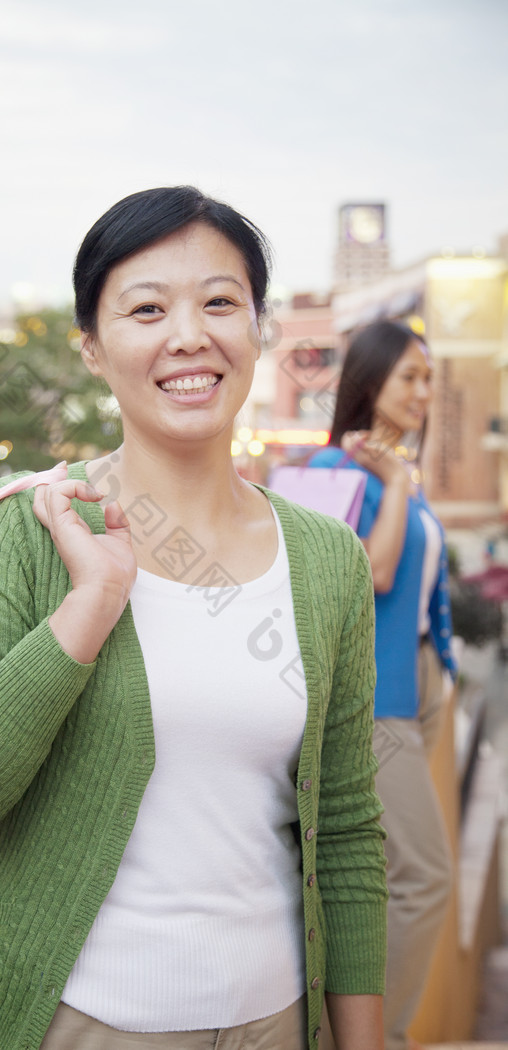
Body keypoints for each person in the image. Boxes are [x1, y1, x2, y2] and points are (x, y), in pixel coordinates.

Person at [0, 186, 387, 1050]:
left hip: (275, 1023)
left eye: (220, 303)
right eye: (147, 308)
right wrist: (87, 609)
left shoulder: (327, 559)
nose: (188, 336)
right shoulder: (24, 533)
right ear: (91, 347)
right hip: (81, 1027)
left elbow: (343, 827)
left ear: (258, 329)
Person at [309, 320, 457, 1050]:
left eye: (428, 378)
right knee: (424, 878)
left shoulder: (397, 469)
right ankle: (371, 1040)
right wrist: (397, 485)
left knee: (386, 874)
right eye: (409, 377)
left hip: (419, 686)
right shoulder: (332, 471)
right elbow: (372, 574)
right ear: (368, 382)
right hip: (375, 700)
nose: (423, 393)